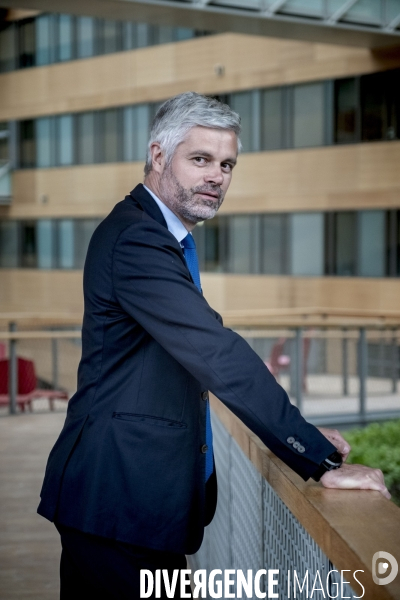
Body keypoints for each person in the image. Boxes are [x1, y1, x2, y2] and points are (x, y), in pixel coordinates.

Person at [37, 92, 390, 599]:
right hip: (116, 499)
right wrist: (316, 457)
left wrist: (305, 429)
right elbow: (214, 351)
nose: (217, 176)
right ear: (159, 156)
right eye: (200, 159)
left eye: (227, 164)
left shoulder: (160, 233)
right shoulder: (137, 238)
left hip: (137, 503)